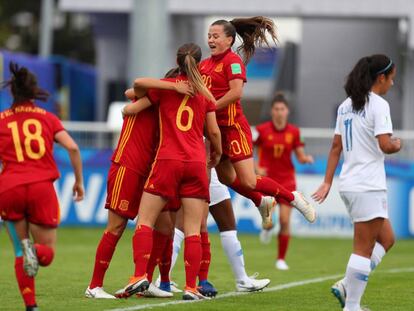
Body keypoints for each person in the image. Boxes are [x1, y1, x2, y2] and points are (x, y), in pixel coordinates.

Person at [116, 42, 222, 301]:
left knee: (145, 221)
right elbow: (214, 132)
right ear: (198, 63)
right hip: (196, 163)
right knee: (194, 229)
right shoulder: (204, 94)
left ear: (177, 61)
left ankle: (139, 274)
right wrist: (216, 154)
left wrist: (130, 107)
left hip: (166, 161)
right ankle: (190, 288)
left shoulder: (164, 89)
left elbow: (130, 106)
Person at [199, 17, 316, 231]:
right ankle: (261, 201)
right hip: (214, 131)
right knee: (226, 177)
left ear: (229, 40)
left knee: (249, 181)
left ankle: (293, 198)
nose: (211, 40)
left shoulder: (232, 61)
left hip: (233, 128)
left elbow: (236, 93)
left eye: (216, 36)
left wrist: (211, 107)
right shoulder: (204, 65)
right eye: (209, 36)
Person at [85, 80, 192, 299]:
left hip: (149, 171)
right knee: (116, 226)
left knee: (165, 226)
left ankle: (146, 280)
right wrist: (172, 87)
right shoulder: (152, 96)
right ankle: (94, 286)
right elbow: (133, 87)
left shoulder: (167, 107)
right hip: (127, 166)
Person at [312, 54, 400, 311]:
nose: (391, 84)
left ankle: (347, 286)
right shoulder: (378, 105)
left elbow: (336, 146)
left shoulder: (346, 105)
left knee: (388, 238)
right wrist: (397, 144)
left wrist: (328, 181)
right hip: (368, 185)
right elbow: (385, 145)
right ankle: (352, 305)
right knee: (363, 248)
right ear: (380, 77)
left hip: (350, 183)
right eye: (391, 79)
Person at [0, 62, 84, 311]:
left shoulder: (1, 120)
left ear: (12, 92)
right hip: (40, 187)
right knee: (45, 253)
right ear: (34, 91)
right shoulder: (48, 118)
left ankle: (31, 306)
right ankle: (33, 251)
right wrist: (79, 182)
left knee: (19, 251)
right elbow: (73, 147)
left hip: (10, 188)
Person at [163, 167, 271, 296]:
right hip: (207, 170)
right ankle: (241, 280)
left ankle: (164, 280)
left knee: (184, 224)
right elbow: (220, 153)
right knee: (223, 225)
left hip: (187, 166)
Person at [253, 92, 313, 270]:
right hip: (267, 181)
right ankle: (267, 228)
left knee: (285, 221)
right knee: (269, 220)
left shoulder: (294, 132)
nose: (279, 112)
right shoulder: (262, 130)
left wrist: (306, 159)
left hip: (286, 181)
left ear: (287, 112)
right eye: (276, 109)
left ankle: (280, 259)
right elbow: (249, 150)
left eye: (282, 109)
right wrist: (256, 167)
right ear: (272, 111)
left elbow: (300, 156)